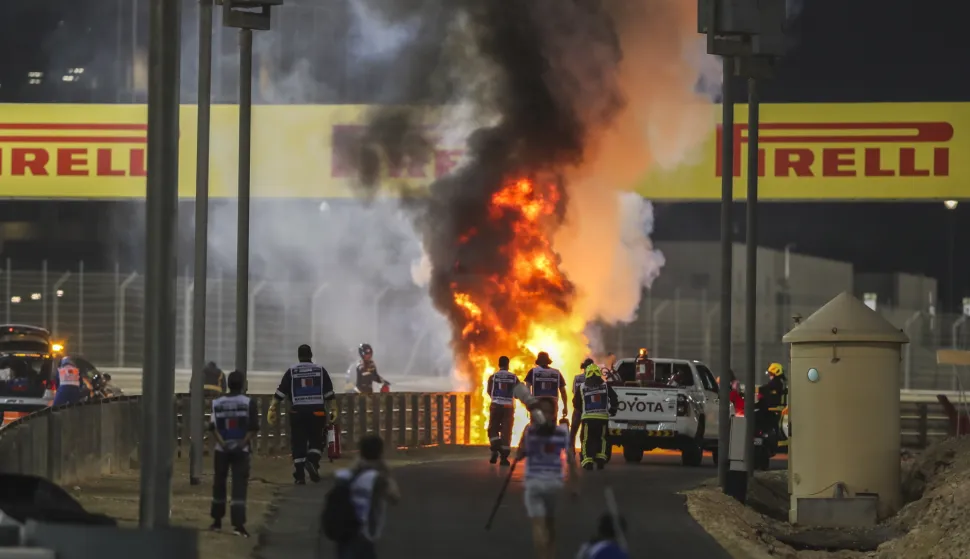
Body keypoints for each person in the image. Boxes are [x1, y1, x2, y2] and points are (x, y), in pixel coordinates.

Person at [516, 398, 579, 559]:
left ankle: (543, 556)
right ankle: (549, 555)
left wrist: (522, 447)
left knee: (538, 525)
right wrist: (574, 486)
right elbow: (571, 459)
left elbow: (519, 455)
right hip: (553, 484)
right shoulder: (562, 432)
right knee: (550, 525)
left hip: (534, 483)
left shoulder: (529, 431)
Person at [268, 344, 335, 484]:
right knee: (317, 440)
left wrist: (272, 408)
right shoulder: (320, 370)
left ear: (298, 356)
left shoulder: (291, 371)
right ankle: (312, 462)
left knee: (299, 442)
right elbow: (329, 394)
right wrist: (334, 409)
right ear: (311, 355)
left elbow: (280, 393)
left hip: (297, 412)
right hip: (317, 412)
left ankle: (299, 476)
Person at [332, 434, 401, 558]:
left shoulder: (345, 475)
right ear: (380, 453)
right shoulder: (378, 478)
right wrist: (386, 471)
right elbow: (394, 497)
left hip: (343, 533)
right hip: (364, 534)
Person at [209, 370, 259, 537]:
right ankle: (238, 525)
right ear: (243, 385)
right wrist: (241, 444)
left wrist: (223, 444)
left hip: (221, 451)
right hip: (241, 451)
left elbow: (212, 428)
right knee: (239, 487)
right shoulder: (248, 402)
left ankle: (216, 521)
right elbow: (253, 428)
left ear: (228, 384)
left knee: (219, 484)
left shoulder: (218, 402)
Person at [573, 363, 619, 471]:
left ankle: (587, 461)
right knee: (602, 439)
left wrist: (581, 410)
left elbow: (576, 403)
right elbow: (614, 398)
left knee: (586, 440)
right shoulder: (606, 385)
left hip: (588, 419)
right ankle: (601, 459)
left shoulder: (582, 387)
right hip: (602, 419)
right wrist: (613, 410)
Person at [486, 356, 519, 465]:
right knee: (506, 432)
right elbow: (518, 394)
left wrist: (496, 399)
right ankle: (504, 458)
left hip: (495, 406)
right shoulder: (514, 377)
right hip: (508, 408)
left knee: (492, 429)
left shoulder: (493, 377)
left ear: (499, 364)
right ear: (508, 364)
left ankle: (495, 448)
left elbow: (489, 391)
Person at [524, 352, 568, 421]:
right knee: (551, 429)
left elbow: (527, 388)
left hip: (537, 403)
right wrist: (565, 406)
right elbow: (563, 391)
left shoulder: (533, 371)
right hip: (552, 405)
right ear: (548, 361)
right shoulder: (556, 372)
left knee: (536, 428)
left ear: (538, 361)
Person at [755, 362, 788, 432]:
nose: (770, 376)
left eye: (771, 374)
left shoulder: (776, 383)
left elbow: (763, 389)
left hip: (769, 412)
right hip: (772, 411)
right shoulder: (781, 382)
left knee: (753, 417)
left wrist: (752, 390)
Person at [569, 358, 593, 450]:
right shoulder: (595, 380)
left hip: (578, 408)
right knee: (584, 431)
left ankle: (572, 450)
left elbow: (574, 391)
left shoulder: (577, 378)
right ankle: (584, 450)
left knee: (574, 431)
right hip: (589, 409)